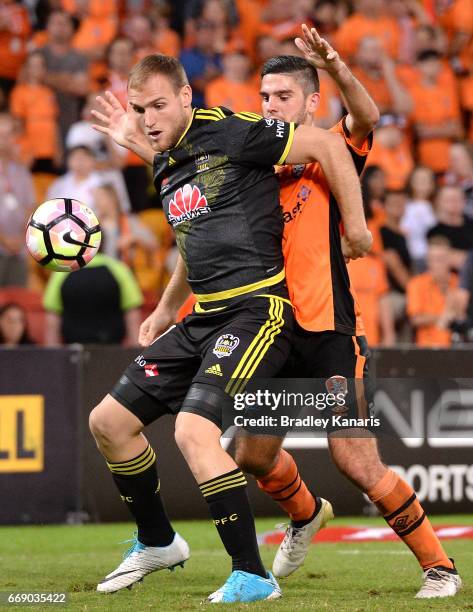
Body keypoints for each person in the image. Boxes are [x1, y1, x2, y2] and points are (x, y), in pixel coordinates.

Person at [90, 52, 371, 602]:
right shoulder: (167, 161)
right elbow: (196, 243)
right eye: (140, 109)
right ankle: (157, 541)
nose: (149, 119)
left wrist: (356, 228)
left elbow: (328, 144)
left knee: (194, 432)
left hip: (257, 309)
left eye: (159, 106)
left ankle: (253, 575)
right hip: (205, 314)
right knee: (108, 423)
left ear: (187, 97)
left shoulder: (230, 131)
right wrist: (167, 308)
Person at [233, 27, 461, 599]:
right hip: (272, 333)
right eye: (264, 97)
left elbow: (368, 115)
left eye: (281, 96)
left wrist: (334, 64)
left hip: (330, 331)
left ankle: (440, 568)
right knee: (251, 454)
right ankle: (307, 515)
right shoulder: (258, 171)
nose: (269, 107)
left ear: (310, 102)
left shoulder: (329, 149)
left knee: (356, 458)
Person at [43, 248, 143, 346]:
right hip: (112, 352)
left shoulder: (62, 272)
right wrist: (137, 356)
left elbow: (52, 324)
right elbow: (133, 319)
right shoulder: (119, 269)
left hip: (74, 353)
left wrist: (53, 358)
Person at [0, 113, 36, 287]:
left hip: (18, 249)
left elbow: (30, 206)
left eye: (8, 134)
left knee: (17, 299)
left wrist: (21, 238)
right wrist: (3, 239)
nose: (4, 139)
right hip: (2, 244)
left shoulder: (22, 172)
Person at [407, 237, 458, 347]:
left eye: (440, 259)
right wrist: (442, 316)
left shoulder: (459, 284)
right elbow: (415, 318)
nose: (436, 264)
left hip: (457, 346)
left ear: (449, 259)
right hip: (427, 347)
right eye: (432, 259)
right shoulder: (416, 284)